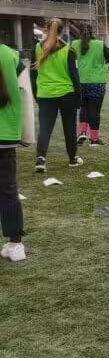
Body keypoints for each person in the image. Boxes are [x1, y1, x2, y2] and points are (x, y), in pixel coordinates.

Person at [31, 17, 83, 173]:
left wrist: (36, 95)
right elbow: (75, 77)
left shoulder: (37, 48)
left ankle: (41, 159)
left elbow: (32, 75)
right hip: (67, 94)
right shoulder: (69, 50)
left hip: (45, 95)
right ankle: (73, 158)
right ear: (62, 31)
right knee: (69, 128)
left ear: (47, 29)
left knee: (45, 128)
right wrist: (78, 98)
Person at [0, 42, 27, 261]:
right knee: (8, 190)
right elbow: (26, 90)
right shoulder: (11, 55)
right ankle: (16, 244)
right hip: (7, 133)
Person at [70, 24, 109, 146]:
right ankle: (94, 139)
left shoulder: (74, 44)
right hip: (97, 82)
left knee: (83, 108)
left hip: (80, 81)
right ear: (92, 32)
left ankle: (82, 132)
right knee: (94, 111)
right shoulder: (100, 44)